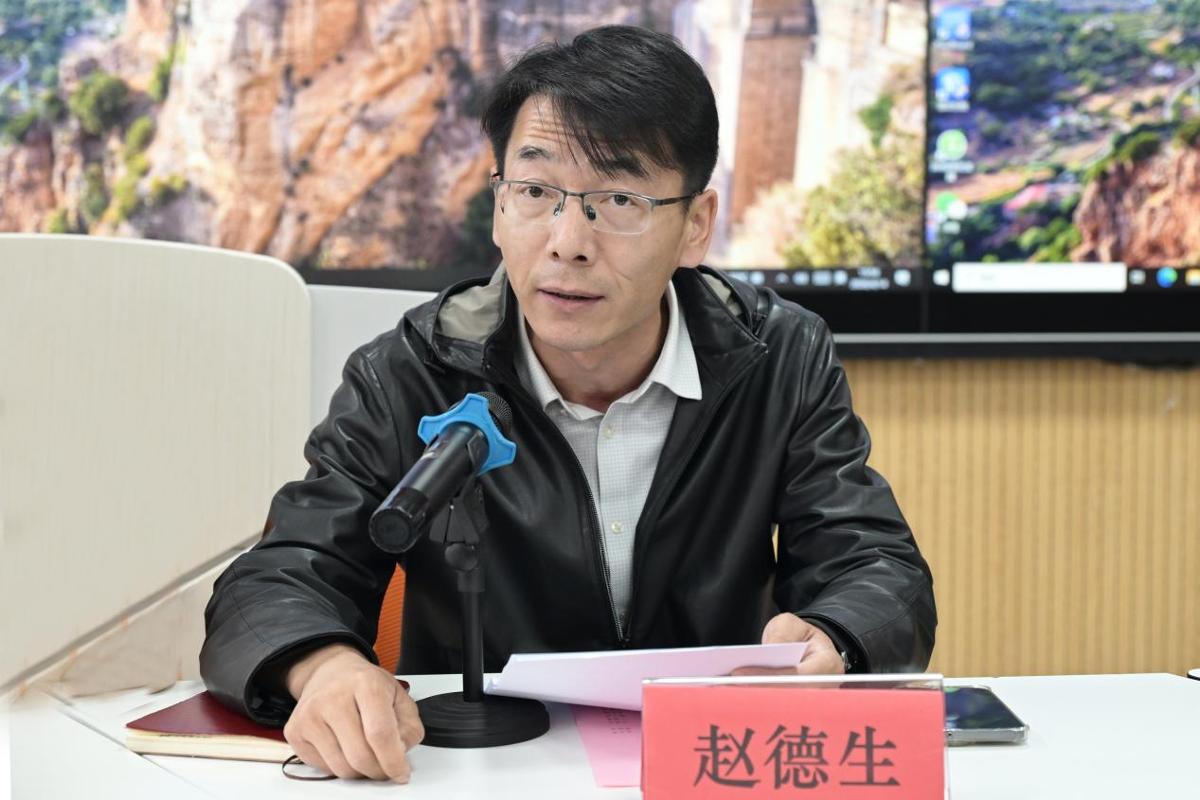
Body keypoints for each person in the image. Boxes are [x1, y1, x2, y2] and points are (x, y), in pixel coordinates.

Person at [200, 25, 936, 784]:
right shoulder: (413, 371)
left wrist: (834, 636)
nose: (567, 242)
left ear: (695, 226)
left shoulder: (778, 356)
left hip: (710, 764)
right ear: (499, 206)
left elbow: (877, 566)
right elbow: (275, 579)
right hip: (485, 771)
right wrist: (323, 667)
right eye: (536, 192)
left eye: (618, 199)